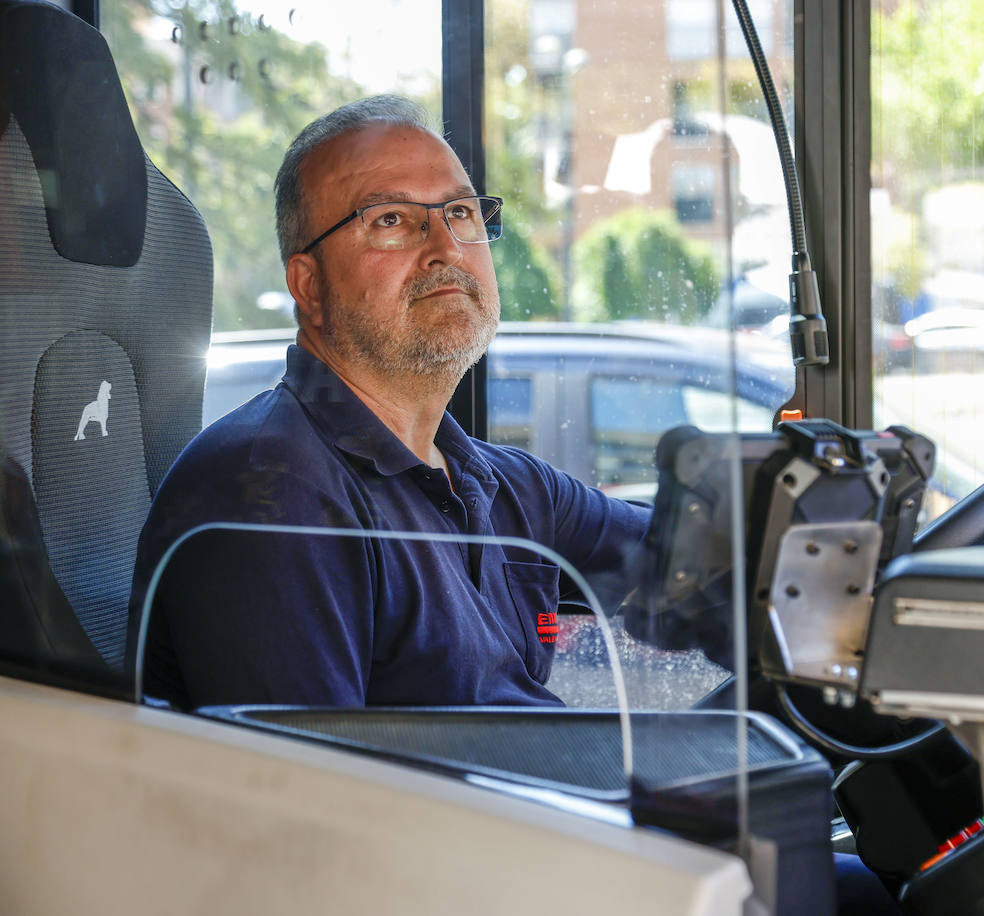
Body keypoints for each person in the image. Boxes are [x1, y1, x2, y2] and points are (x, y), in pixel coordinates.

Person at [128, 95, 648, 710]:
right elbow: (310, 794)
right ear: (309, 286)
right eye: (391, 221)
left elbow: (689, 553)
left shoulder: (501, 484)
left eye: (459, 211)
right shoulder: (273, 493)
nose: (447, 248)